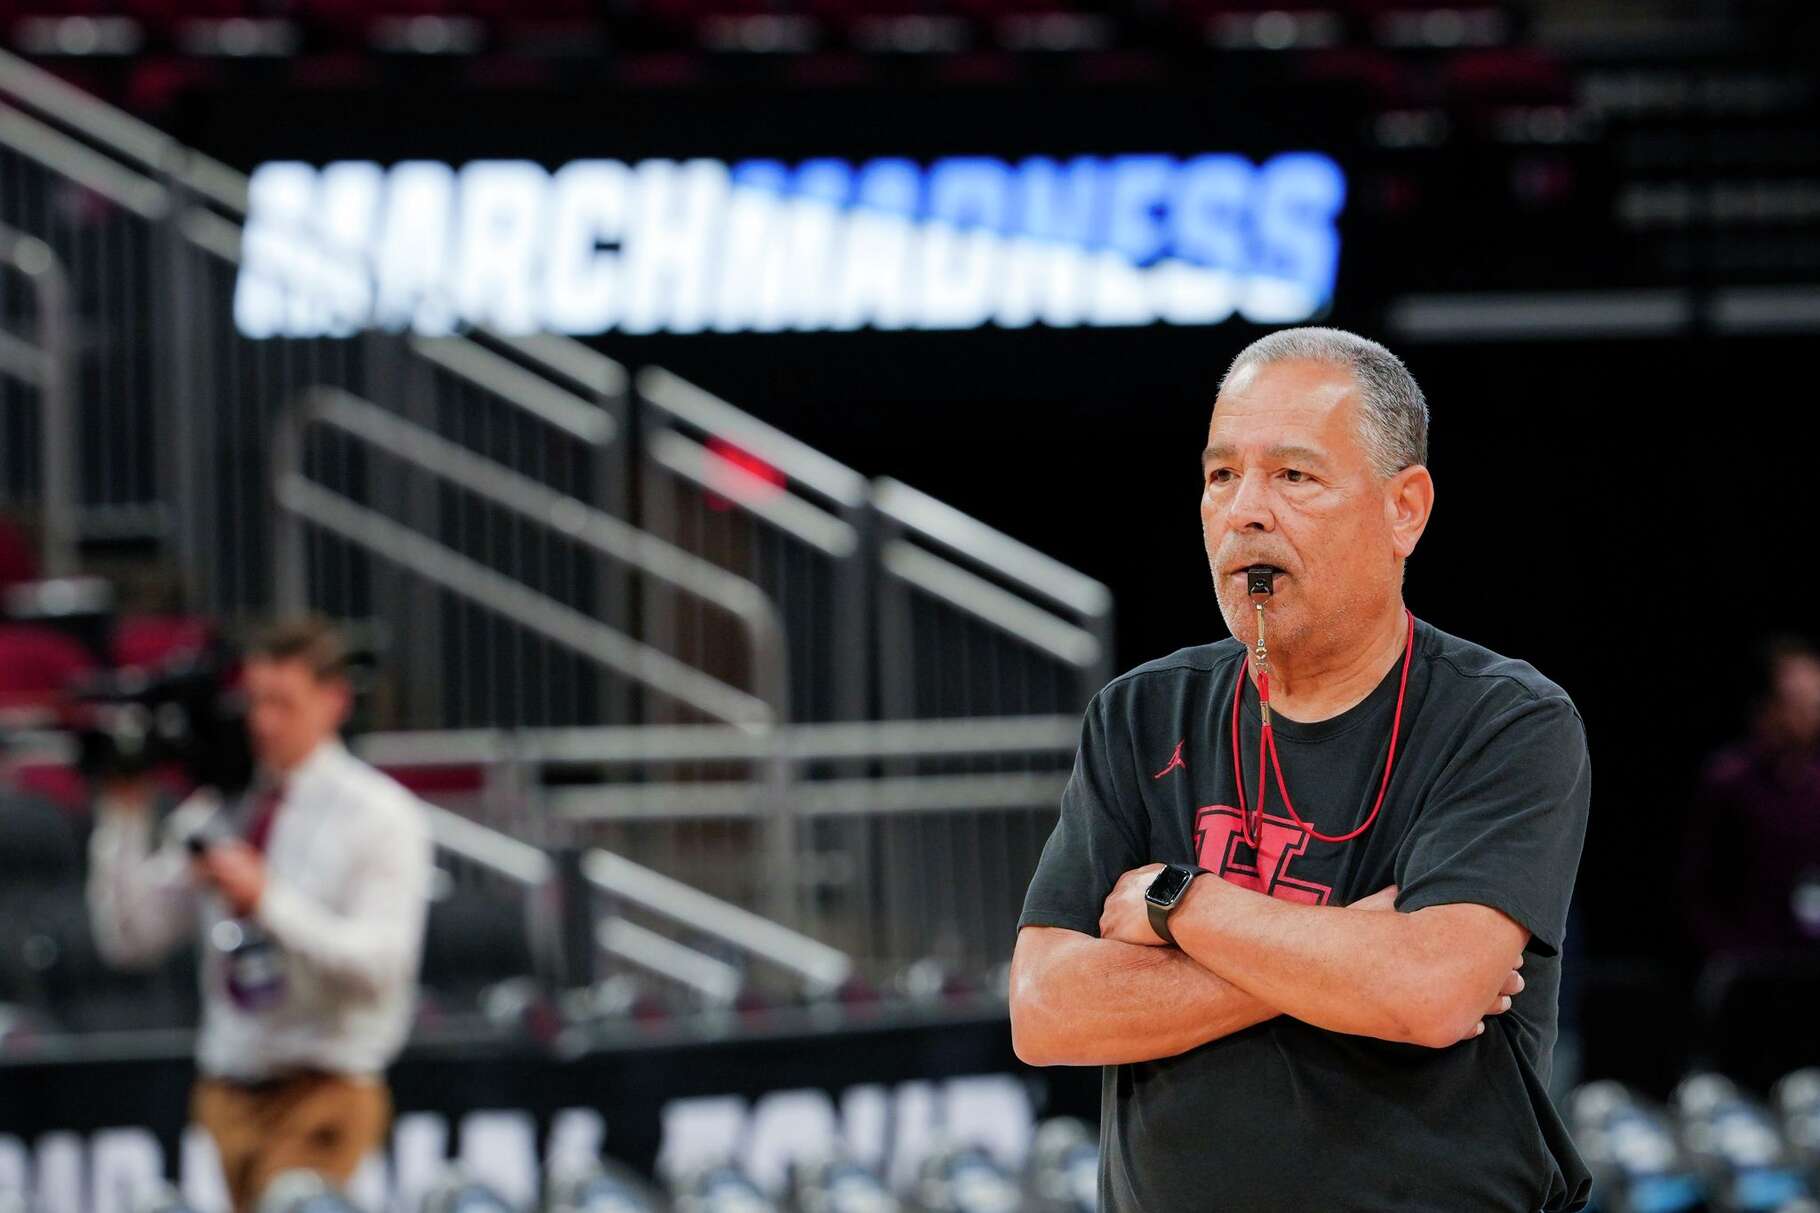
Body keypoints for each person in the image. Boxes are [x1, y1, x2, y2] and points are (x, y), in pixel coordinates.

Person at [1010, 327, 1592, 1212]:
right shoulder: (1141, 714)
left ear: (1406, 508)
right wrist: (1353, 948)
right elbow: (1048, 1010)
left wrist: (1179, 902)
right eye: (1220, 477)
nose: (1246, 509)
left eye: (1293, 475)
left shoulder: (1506, 720)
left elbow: (1428, 993)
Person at [87, 617, 431, 1212]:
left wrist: (267, 902)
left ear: (334, 701)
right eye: (255, 702)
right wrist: (124, 817)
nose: (264, 722)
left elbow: (382, 966)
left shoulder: (381, 816)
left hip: (325, 1086)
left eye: (284, 703)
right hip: (227, 1091)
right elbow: (130, 939)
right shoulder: (221, 809)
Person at [1683, 637, 1820, 958]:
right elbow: (1696, 888)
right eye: (1798, 700)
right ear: (1767, 704)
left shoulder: (1815, 784)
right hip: (1751, 972)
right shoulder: (1728, 780)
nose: (1811, 711)